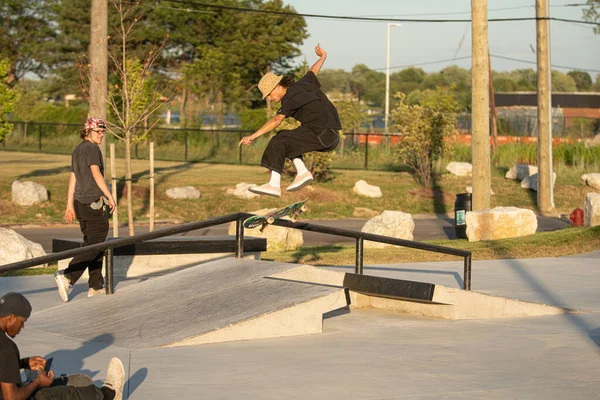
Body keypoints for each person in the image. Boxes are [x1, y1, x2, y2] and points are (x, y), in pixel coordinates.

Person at [239, 43, 342, 197]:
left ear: (277, 87)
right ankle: (302, 172)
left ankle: (274, 185)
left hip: (320, 132)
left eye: (269, 94)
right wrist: (323, 57)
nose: (269, 98)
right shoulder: (304, 84)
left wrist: (252, 136)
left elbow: (276, 121)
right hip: (331, 137)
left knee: (279, 140)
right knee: (286, 140)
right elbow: (313, 71)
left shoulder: (289, 99)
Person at [0, 292, 125, 400]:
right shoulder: (6, 347)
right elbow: (11, 398)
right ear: (11, 317)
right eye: (22, 322)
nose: (22, 327)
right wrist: (38, 382)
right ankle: (110, 394)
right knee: (63, 394)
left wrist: (23, 363)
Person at [54, 118, 116, 302]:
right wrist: (110, 195)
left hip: (81, 204)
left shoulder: (77, 150)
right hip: (92, 204)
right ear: (88, 131)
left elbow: (73, 178)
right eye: (99, 132)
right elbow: (96, 173)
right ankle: (67, 276)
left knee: (93, 243)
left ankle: (96, 285)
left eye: (103, 132)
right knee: (97, 242)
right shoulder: (91, 149)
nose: (102, 135)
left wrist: (69, 205)